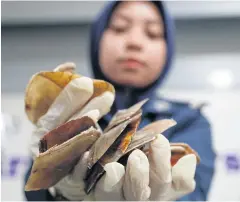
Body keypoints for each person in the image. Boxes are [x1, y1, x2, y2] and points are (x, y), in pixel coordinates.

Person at [24, 1, 216, 201]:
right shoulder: (68, 111)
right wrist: (57, 192)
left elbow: (195, 191)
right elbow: (31, 191)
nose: (134, 41)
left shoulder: (190, 120)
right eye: (119, 28)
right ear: (98, 39)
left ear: (168, 50)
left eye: (152, 33)